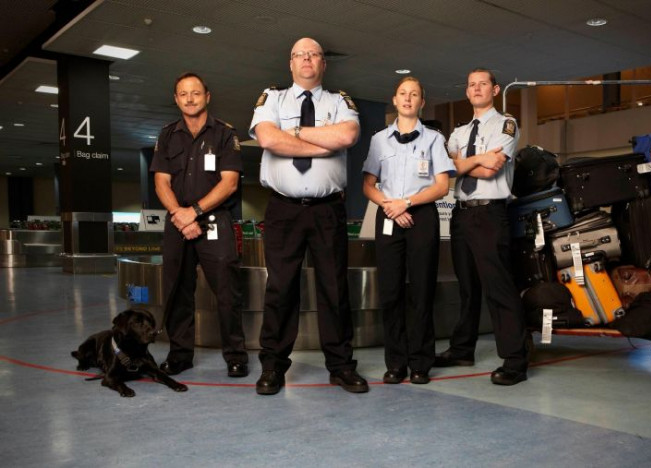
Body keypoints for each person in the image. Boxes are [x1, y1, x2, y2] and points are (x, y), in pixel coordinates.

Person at [249, 37, 368, 395]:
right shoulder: (272, 98)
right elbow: (268, 139)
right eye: (300, 54)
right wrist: (321, 145)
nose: (307, 59)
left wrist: (296, 134)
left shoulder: (339, 101)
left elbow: (347, 135)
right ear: (290, 63)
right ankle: (273, 366)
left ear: (323, 64)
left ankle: (341, 366)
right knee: (280, 288)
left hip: (327, 209)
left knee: (334, 288)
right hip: (283, 209)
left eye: (314, 54)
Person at [150, 72, 248, 378]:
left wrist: (193, 212)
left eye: (195, 93)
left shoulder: (224, 134)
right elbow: (161, 182)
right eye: (183, 94)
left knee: (227, 293)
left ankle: (236, 356)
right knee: (177, 290)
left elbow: (229, 183)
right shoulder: (167, 135)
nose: (190, 99)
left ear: (207, 96)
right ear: (176, 99)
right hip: (177, 221)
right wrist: (180, 215)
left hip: (214, 221)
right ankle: (180, 355)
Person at [435, 68, 529, 385]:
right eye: (471, 85)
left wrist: (463, 163)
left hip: (490, 214)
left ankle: (515, 360)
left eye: (483, 84)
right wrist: (479, 159)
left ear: (495, 90)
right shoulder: (460, 131)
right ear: (467, 91)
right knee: (467, 287)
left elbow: (492, 170)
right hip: (461, 214)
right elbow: (446, 170)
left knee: (498, 288)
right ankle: (463, 349)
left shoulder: (506, 124)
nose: (476, 89)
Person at [362, 77, 455, 384]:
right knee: (390, 292)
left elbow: (442, 186)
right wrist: (391, 205)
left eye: (414, 94)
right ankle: (395, 363)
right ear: (394, 99)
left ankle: (420, 363)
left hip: (422, 216)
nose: (408, 98)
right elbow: (368, 185)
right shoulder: (379, 140)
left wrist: (407, 203)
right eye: (403, 93)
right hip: (389, 215)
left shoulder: (434, 139)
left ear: (421, 102)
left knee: (422, 290)